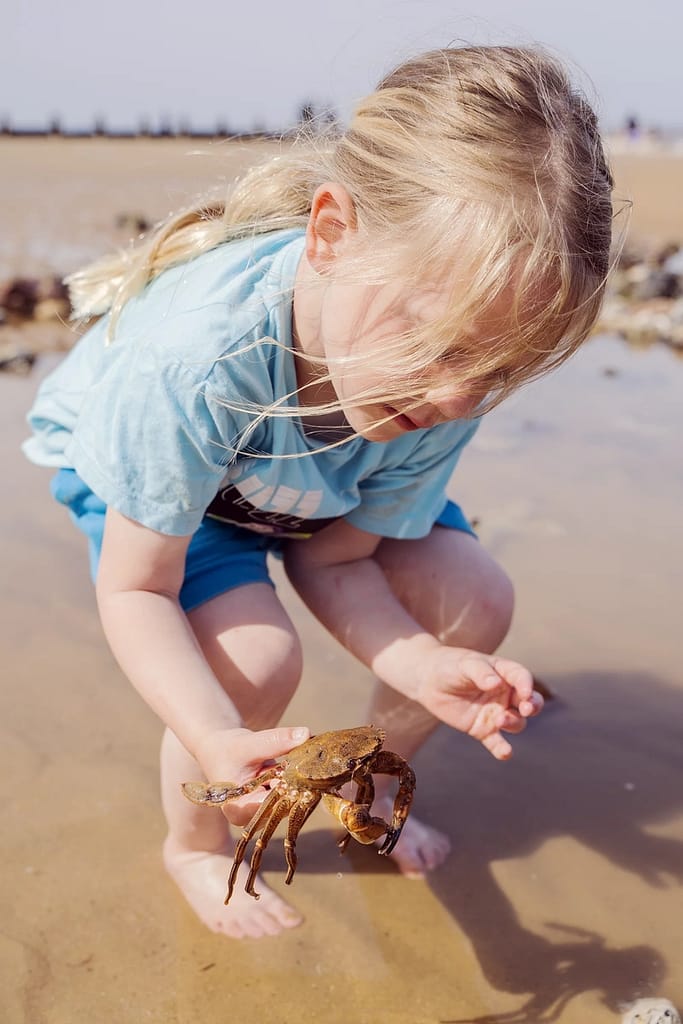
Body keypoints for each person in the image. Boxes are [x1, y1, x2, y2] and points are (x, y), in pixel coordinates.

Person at [23, 45, 614, 939]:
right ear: (331, 234)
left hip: (315, 495)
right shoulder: (195, 355)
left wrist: (415, 660)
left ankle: (373, 796)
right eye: (443, 348)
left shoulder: (434, 390)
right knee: (254, 665)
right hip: (177, 491)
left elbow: (338, 562)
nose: (457, 397)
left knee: (473, 600)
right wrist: (219, 737)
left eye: (496, 372)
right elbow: (138, 588)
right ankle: (195, 844)